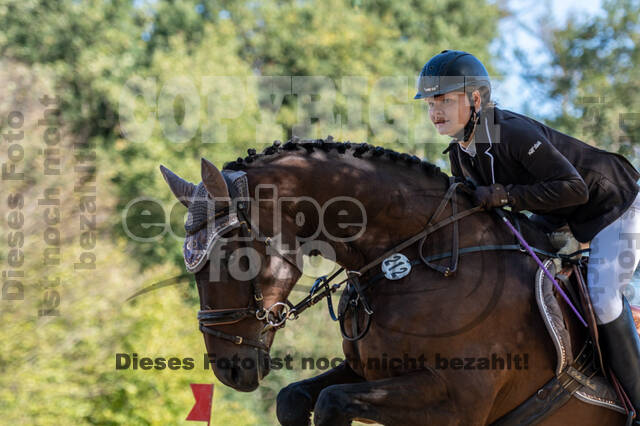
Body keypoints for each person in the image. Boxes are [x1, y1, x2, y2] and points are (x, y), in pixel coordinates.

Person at [415, 49, 640, 416]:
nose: (434, 111)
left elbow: (575, 188)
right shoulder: (460, 153)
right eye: (430, 103)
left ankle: (638, 402)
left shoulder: (512, 132)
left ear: (476, 99)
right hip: (560, 218)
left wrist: (505, 195)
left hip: (615, 204)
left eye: (444, 100)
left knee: (603, 297)